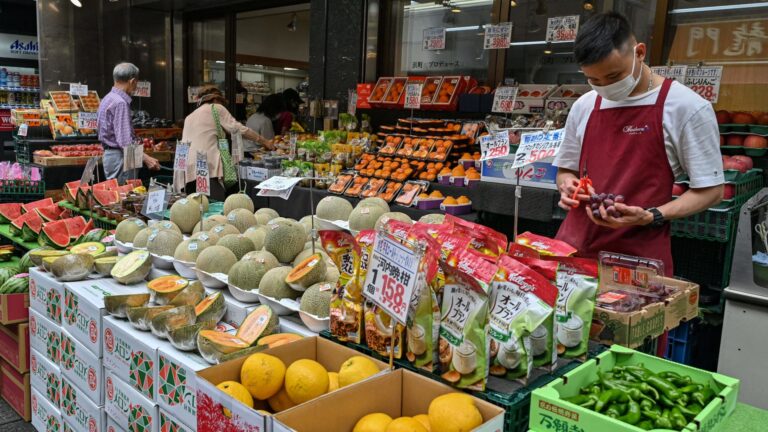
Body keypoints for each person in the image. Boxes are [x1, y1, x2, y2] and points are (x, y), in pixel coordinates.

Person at [554, 12, 724, 275]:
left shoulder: (686, 107)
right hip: (574, 250)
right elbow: (566, 169)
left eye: (613, 77)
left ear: (640, 53)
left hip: (636, 262)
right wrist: (566, 185)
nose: (604, 87)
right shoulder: (584, 105)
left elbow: (711, 191)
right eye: (594, 80)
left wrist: (652, 215)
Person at [181, 87, 274, 201]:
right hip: (208, 167)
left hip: (188, 169)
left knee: (195, 208)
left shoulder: (189, 117)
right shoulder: (216, 108)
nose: (224, 106)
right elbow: (238, 128)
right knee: (215, 208)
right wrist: (264, 141)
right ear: (215, 99)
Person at [97, 62, 160, 183]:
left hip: (111, 155)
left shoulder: (107, 98)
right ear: (132, 81)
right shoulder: (120, 102)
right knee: (125, 196)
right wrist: (146, 158)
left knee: (116, 194)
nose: (136, 87)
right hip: (122, 157)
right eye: (136, 83)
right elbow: (125, 142)